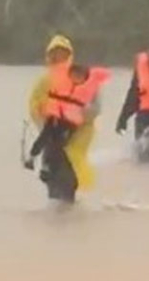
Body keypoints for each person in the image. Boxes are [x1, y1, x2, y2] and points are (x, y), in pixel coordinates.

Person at [25, 64, 111, 203]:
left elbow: (95, 111)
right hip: (53, 120)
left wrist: (85, 113)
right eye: (75, 75)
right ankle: (33, 158)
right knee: (45, 140)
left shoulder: (90, 90)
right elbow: (37, 101)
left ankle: (67, 201)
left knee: (59, 147)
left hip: (71, 126)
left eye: (80, 76)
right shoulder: (56, 83)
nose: (77, 78)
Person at [27, 35, 101, 195]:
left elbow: (95, 108)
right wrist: (45, 124)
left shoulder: (83, 78)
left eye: (63, 54)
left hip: (76, 135)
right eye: (55, 54)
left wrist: (79, 116)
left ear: (70, 55)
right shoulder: (44, 80)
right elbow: (34, 105)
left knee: (69, 175)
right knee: (52, 176)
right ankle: (58, 211)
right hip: (51, 132)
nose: (59, 58)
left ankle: (67, 209)